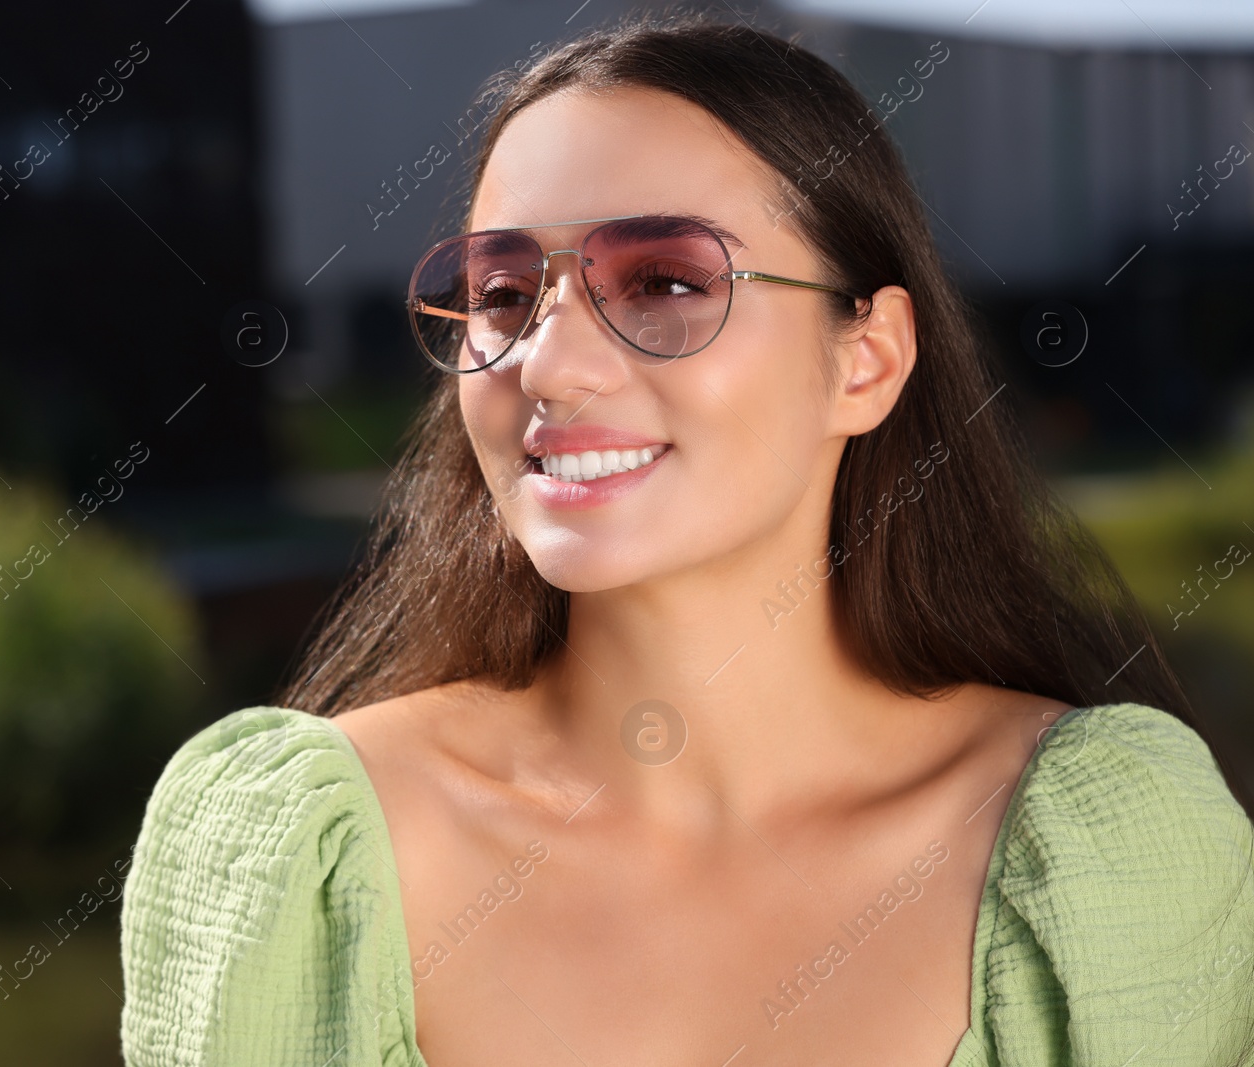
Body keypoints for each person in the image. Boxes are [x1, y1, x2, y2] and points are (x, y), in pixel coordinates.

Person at [119, 10, 1254, 1065]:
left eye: (663, 280)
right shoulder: (296, 859)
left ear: (865, 360)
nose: (548, 366)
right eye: (505, 294)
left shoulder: (1106, 851)